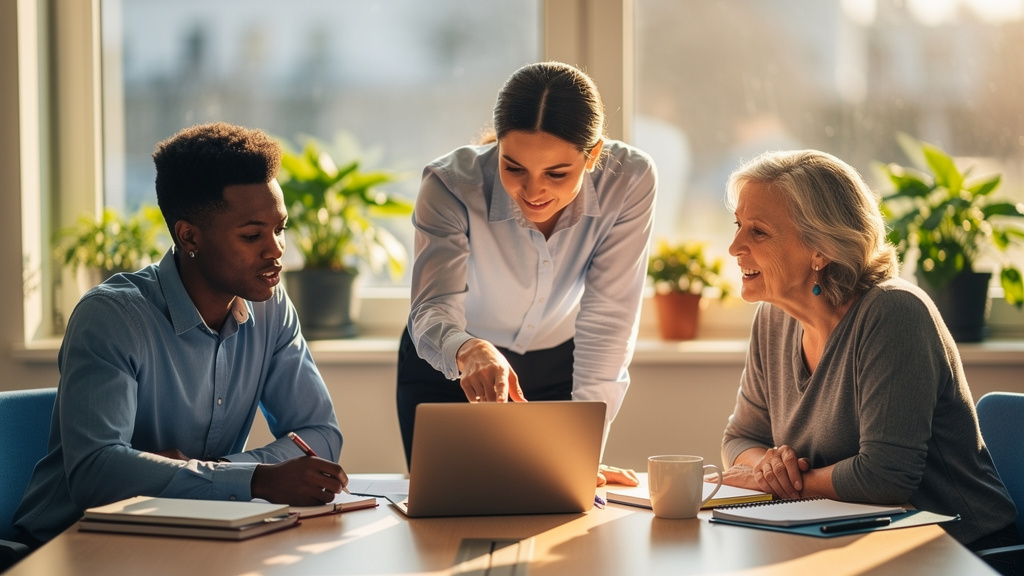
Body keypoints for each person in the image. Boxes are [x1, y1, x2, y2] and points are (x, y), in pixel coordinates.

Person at [13, 122, 347, 546]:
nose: (276, 250)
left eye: (280, 229)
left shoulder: (271, 307)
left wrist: (223, 471)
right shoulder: (111, 317)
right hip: (72, 545)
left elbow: (319, 434)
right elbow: (96, 473)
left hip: (190, 538)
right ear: (188, 235)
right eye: (252, 235)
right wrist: (257, 479)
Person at [720, 149, 1020, 570]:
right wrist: (766, 466)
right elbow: (740, 440)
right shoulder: (774, 317)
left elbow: (885, 478)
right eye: (738, 226)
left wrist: (777, 485)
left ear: (820, 250)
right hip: (860, 539)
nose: (735, 246)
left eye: (759, 232)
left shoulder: (893, 313)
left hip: (964, 551)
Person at [397, 62, 656, 485]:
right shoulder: (449, 184)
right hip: (452, 368)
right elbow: (430, 310)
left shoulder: (630, 178)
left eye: (557, 174)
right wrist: (466, 349)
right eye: (513, 167)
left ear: (592, 155)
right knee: (451, 507)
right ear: (497, 145)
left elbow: (610, 318)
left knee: (553, 505)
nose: (533, 192)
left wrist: (584, 448)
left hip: (560, 369)